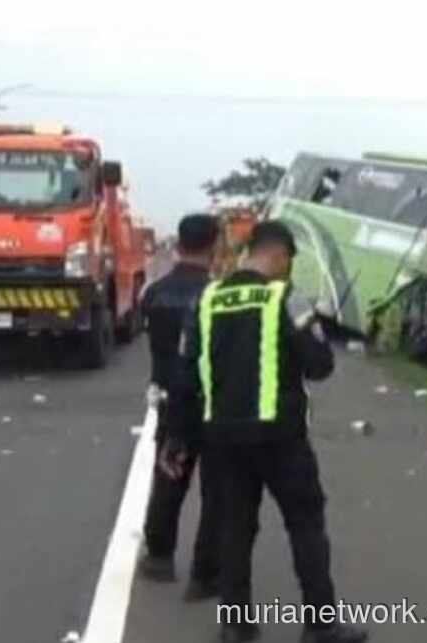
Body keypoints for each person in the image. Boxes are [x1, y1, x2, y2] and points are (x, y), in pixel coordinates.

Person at [162, 220, 368, 643]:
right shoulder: (285, 299)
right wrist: (317, 334)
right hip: (280, 439)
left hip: (221, 440)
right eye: (288, 262)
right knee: (305, 524)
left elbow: (182, 378)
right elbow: (320, 366)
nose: (286, 270)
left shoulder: (207, 300)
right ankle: (321, 624)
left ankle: (236, 625)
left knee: (235, 528)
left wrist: (177, 439)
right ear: (278, 255)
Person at [138, 213, 223, 601]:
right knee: (216, 491)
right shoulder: (217, 296)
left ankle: (159, 556)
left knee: (170, 476)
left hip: (172, 400)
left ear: (178, 244)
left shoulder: (153, 293)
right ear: (215, 246)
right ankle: (205, 573)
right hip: (212, 402)